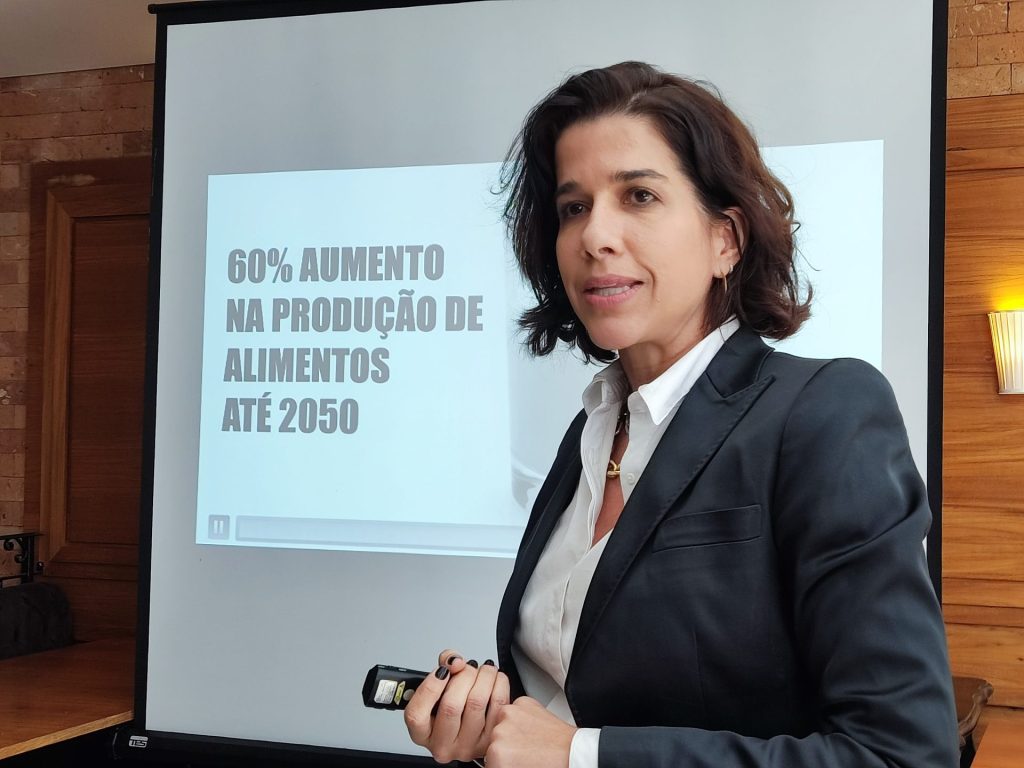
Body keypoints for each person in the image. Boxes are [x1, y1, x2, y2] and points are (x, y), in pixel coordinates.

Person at [403, 61, 959, 768]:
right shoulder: (592, 429)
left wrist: (581, 755)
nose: (595, 236)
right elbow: (587, 690)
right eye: (574, 208)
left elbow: (901, 754)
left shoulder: (825, 412)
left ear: (726, 239)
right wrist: (487, 720)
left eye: (638, 196)